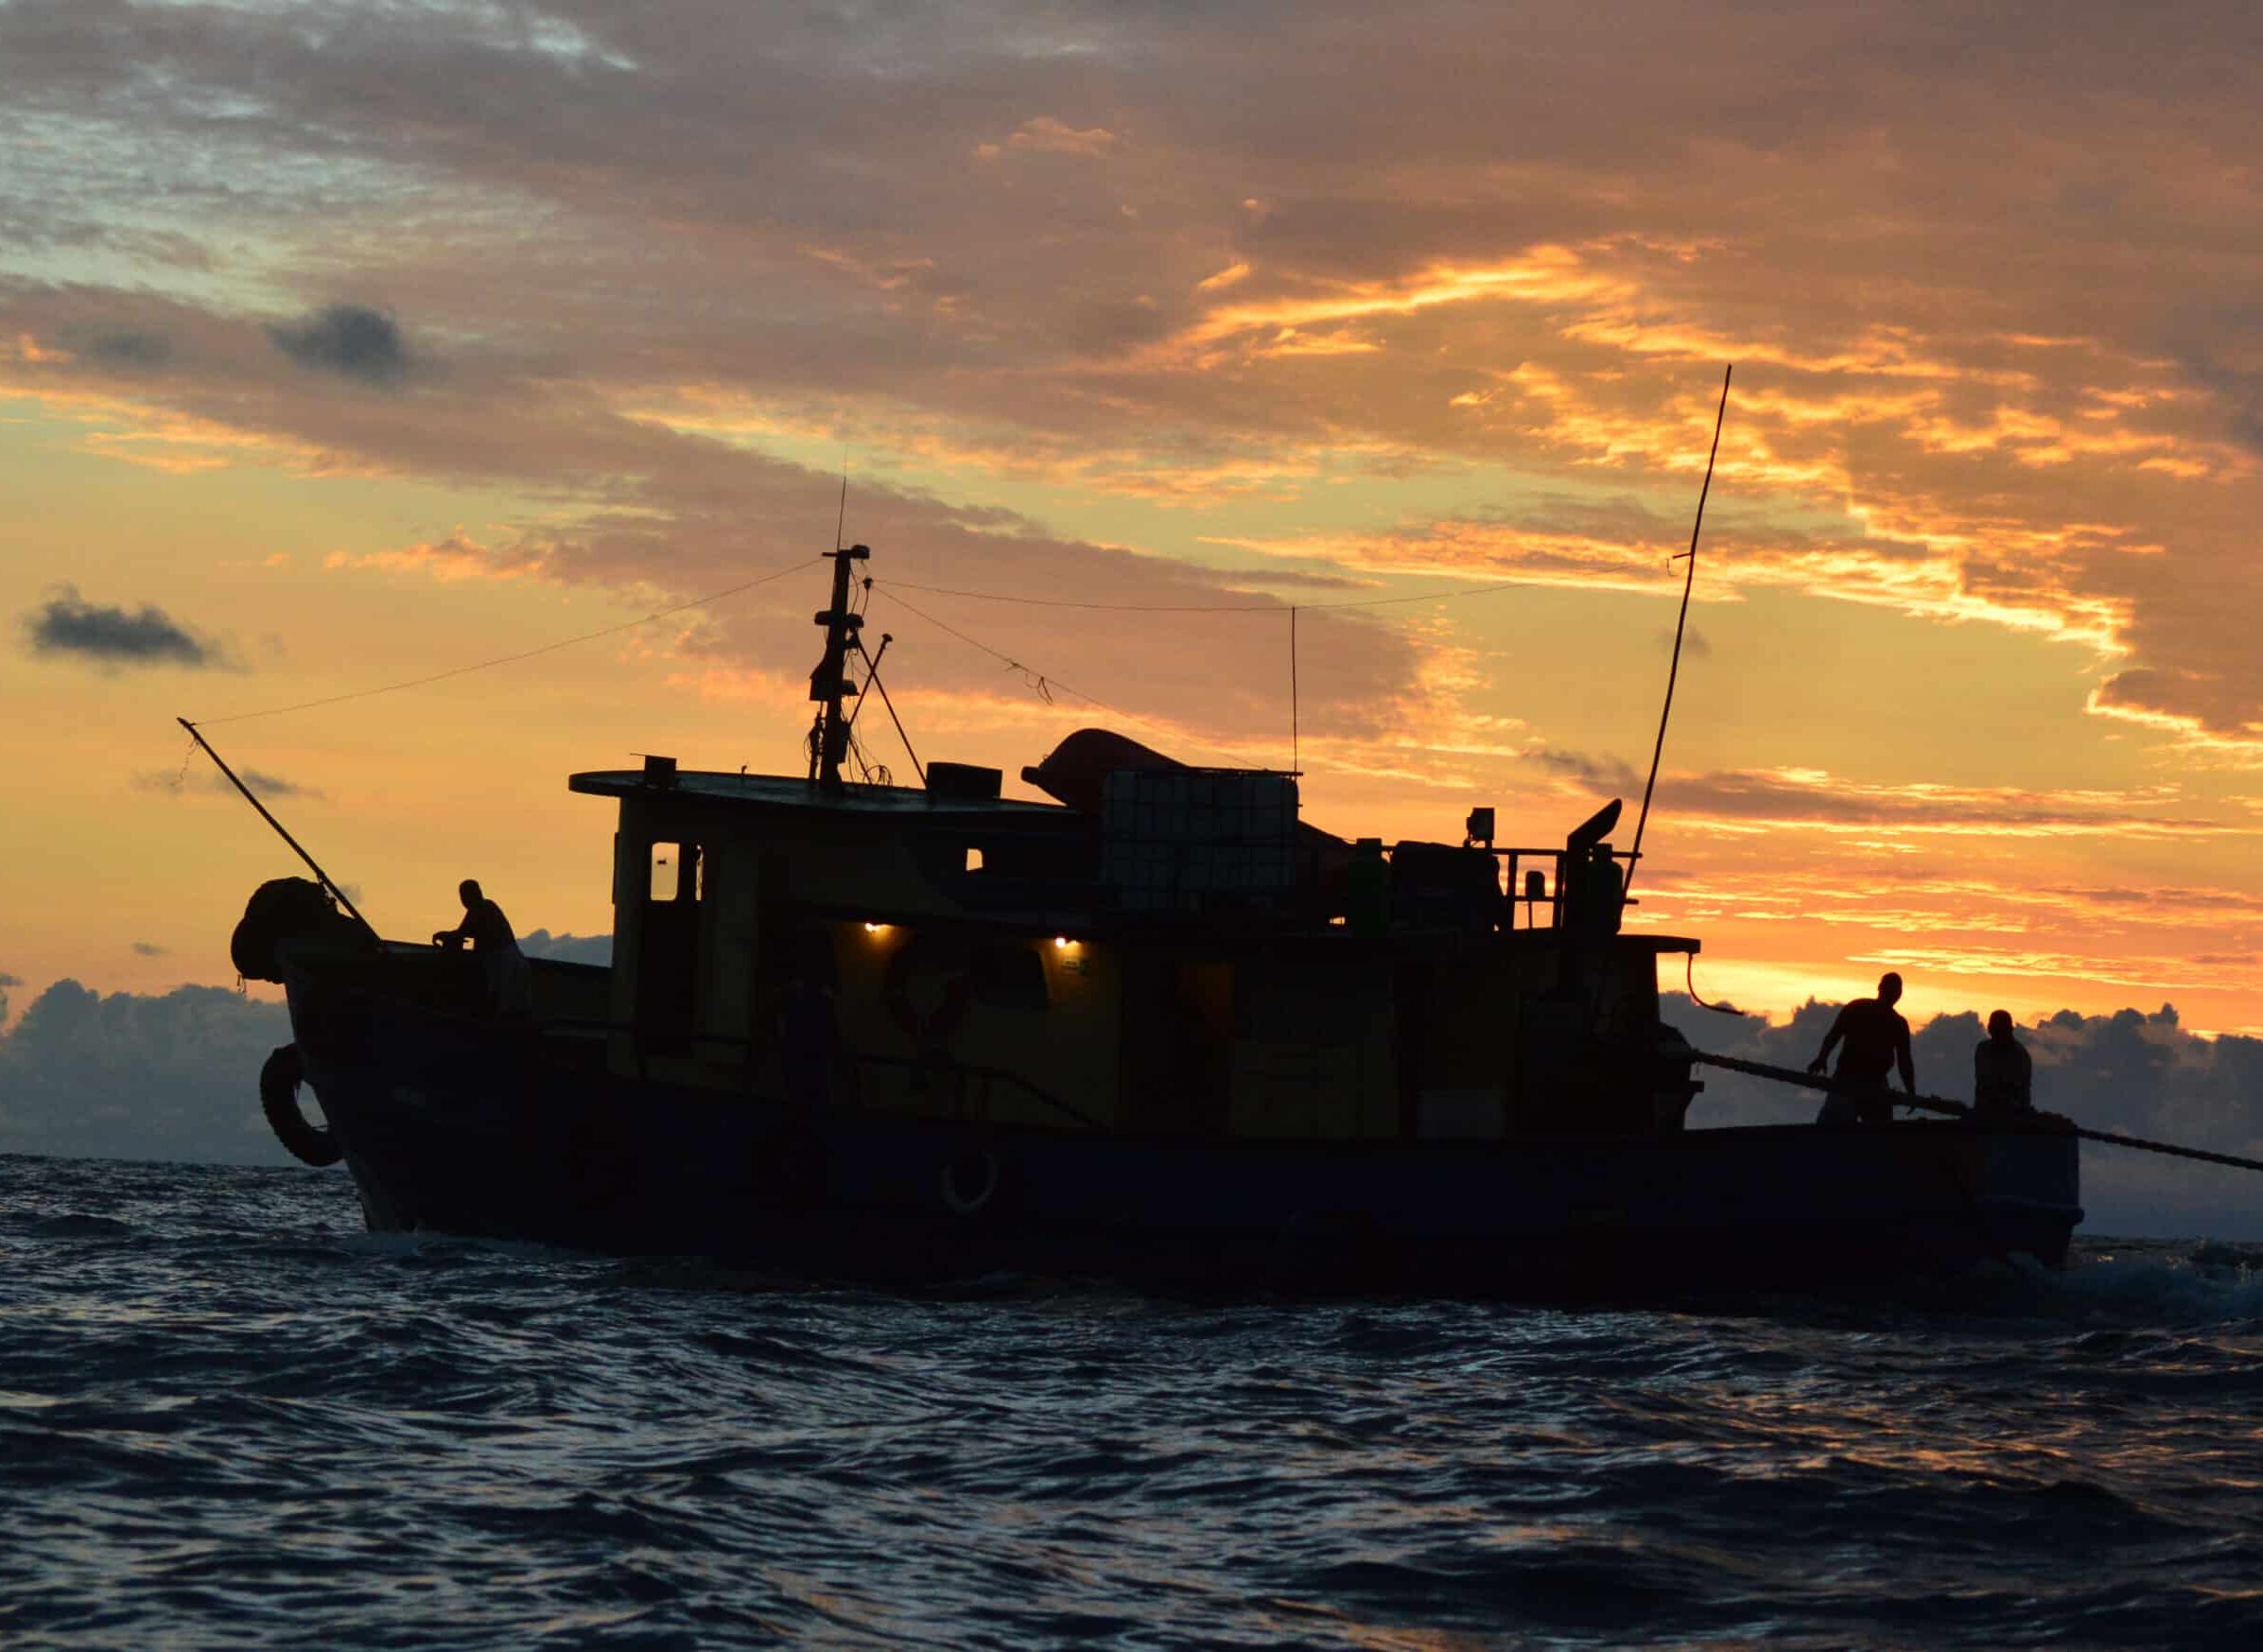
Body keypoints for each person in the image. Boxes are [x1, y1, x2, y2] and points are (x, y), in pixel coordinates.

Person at [1806, 971, 1916, 1125]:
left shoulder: (1897, 1023)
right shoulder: (1858, 1008)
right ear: (1880, 988)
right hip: (1847, 1080)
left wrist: (1911, 1091)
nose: (1893, 993)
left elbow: (1904, 1061)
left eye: (1895, 990)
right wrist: (1822, 1058)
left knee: (1880, 1135)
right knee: (1831, 1130)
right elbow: (1834, 1035)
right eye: (1890, 988)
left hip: (1875, 1083)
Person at [432, 878, 531, 1017]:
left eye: (465, 895)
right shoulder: (484, 907)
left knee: (505, 1012)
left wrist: (441, 935)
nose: (463, 900)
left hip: (504, 965)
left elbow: (462, 933)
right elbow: (464, 931)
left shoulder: (483, 908)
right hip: (511, 962)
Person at [1973, 1009, 2034, 1119]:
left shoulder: (2019, 1056)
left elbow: (2019, 1094)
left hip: (2014, 1116)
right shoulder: (1983, 1050)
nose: (1997, 1035)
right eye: (1995, 1031)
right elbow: (1982, 1085)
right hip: (1984, 1113)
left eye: (2000, 1031)